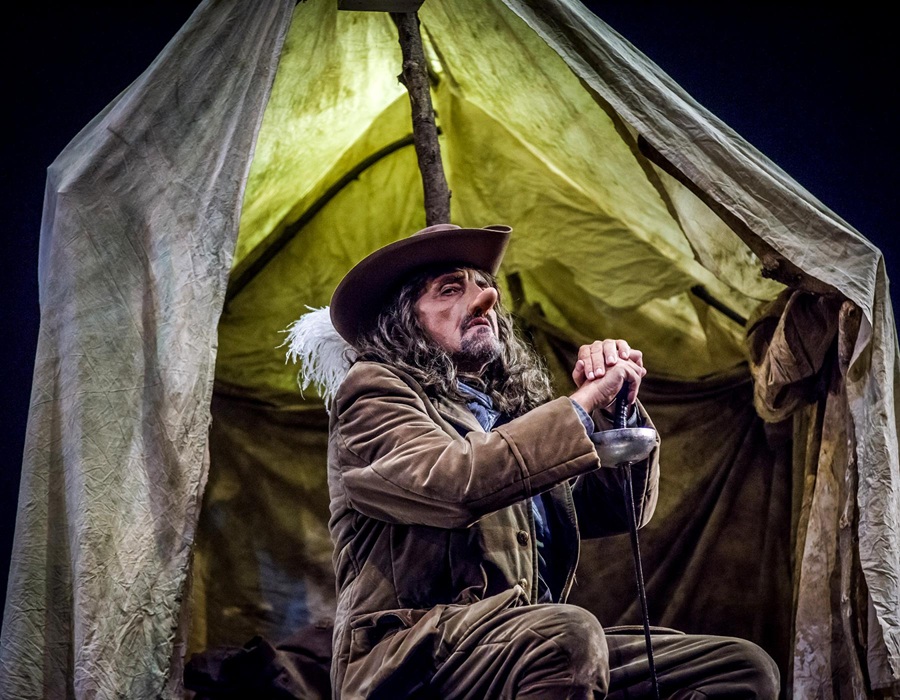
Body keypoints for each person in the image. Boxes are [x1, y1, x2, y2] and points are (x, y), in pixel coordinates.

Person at [315, 223, 779, 699]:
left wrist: (610, 412)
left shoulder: (505, 414)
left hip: (523, 641)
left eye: (484, 286)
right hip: (411, 660)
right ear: (402, 320)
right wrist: (576, 407)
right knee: (567, 637)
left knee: (740, 669)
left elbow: (619, 509)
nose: (485, 300)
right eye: (451, 289)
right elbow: (451, 481)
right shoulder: (372, 392)